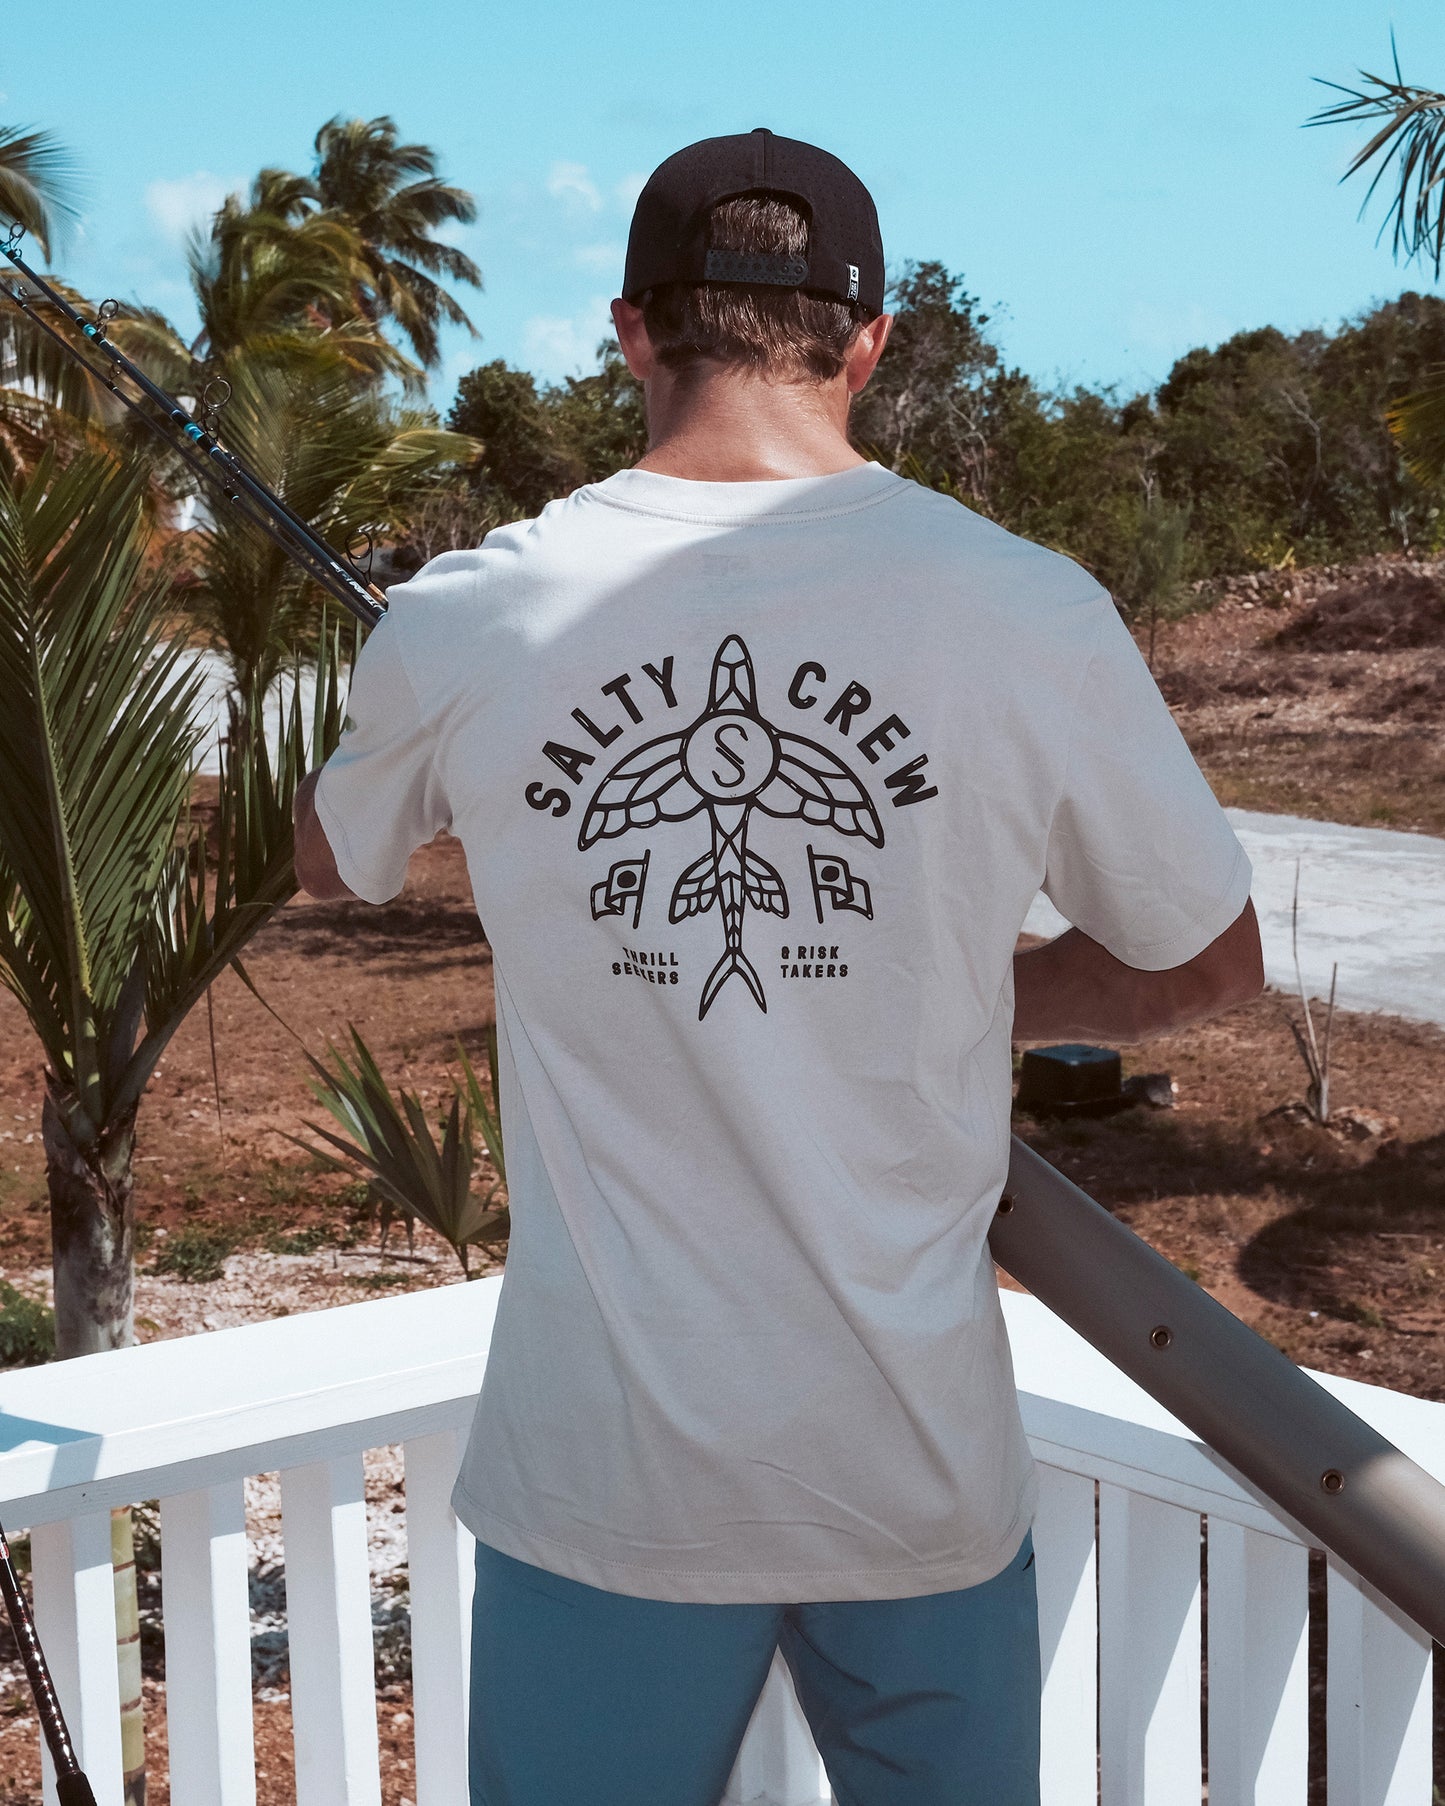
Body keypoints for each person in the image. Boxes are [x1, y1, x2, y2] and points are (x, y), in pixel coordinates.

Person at [293, 128, 1264, 1806]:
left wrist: (416, 699)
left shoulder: (464, 614)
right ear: (865, 343)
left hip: (603, 1484)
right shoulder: (1026, 608)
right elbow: (1205, 961)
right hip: (915, 1477)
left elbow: (329, 862)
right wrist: (969, 984)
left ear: (633, 330)